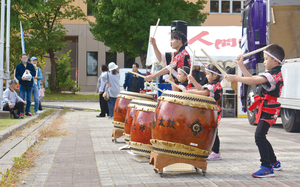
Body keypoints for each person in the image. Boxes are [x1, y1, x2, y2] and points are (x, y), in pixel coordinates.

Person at [225, 44, 285, 178]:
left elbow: (252, 81)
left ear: (275, 61)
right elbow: (251, 80)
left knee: (259, 136)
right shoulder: (271, 73)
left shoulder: (274, 74)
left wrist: (235, 78)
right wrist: (241, 65)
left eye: (266, 59)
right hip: (267, 108)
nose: (264, 62)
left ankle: (267, 167)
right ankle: (274, 162)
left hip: (269, 109)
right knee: (261, 135)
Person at [187, 64, 223, 160]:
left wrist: (191, 92)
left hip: (214, 111)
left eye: (207, 74)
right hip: (211, 110)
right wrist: (193, 80)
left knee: (213, 131)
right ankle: (212, 150)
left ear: (215, 75)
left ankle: (215, 152)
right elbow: (201, 88)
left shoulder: (214, 85)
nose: (206, 76)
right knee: (211, 130)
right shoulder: (212, 84)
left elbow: (205, 93)